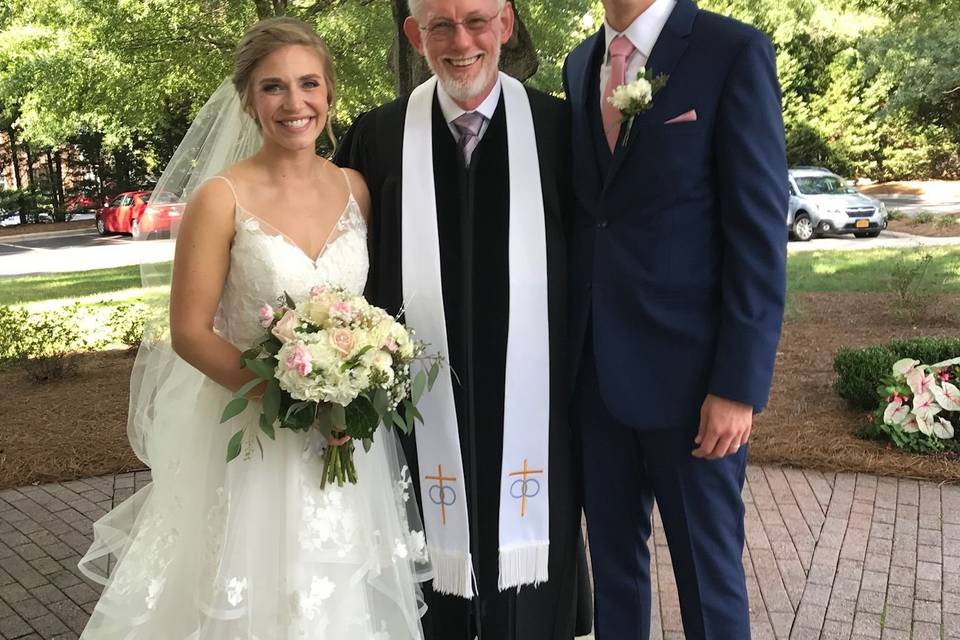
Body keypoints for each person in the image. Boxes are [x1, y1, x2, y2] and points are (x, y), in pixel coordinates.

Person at [78, 17, 430, 639]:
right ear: (248, 99)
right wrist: (289, 396)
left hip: (346, 436)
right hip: (257, 434)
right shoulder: (221, 197)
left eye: (309, 84)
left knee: (341, 590)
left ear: (329, 93)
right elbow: (189, 330)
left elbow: (364, 307)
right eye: (273, 88)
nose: (294, 103)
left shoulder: (355, 189)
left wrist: (348, 386)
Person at [335, 1, 589, 638]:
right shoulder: (377, 138)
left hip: (537, 410)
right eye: (440, 26)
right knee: (428, 593)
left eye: (476, 21)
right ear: (415, 35)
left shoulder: (561, 129)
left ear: (505, 25)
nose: (461, 42)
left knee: (529, 593)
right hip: (418, 415)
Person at [563, 0, 788, 637]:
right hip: (595, 379)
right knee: (614, 574)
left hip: (695, 389)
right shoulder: (580, 64)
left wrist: (739, 386)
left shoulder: (731, 51)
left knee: (708, 581)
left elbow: (757, 233)